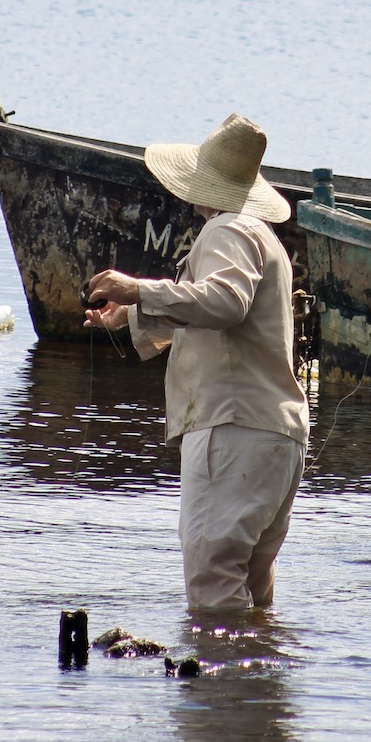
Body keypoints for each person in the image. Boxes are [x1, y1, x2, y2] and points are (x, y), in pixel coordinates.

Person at [83, 112, 310, 611]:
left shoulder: (227, 229)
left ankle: (218, 684)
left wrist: (137, 287)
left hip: (234, 429)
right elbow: (221, 315)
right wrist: (133, 315)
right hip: (276, 433)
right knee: (250, 582)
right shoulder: (260, 236)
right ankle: (259, 681)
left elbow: (224, 304)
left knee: (212, 579)